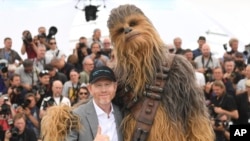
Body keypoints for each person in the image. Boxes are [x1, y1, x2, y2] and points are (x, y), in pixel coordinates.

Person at [107, 4, 214, 141]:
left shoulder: (177, 65)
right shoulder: (115, 77)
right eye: (121, 30)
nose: (128, 29)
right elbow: (96, 110)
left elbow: (196, 115)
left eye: (133, 23)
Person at [67, 66, 123, 141]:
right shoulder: (76, 116)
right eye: (98, 85)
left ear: (115, 87)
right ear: (90, 88)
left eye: (107, 84)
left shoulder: (122, 113)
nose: (103, 90)